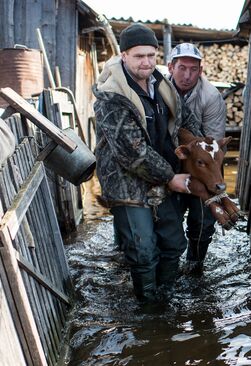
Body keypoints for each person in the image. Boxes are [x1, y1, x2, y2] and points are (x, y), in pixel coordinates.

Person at [93, 23, 190, 302]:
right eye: (138, 56)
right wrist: (171, 178)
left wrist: (202, 145)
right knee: (143, 250)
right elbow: (132, 152)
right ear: (124, 56)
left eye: (151, 55)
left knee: (174, 243)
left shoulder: (160, 85)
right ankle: (148, 309)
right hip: (127, 181)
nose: (146, 62)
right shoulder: (111, 96)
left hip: (162, 174)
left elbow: (182, 119)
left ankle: (166, 297)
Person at [168, 43, 227, 274]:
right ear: (170, 67)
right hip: (169, 163)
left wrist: (204, 186)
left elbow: (213, 148)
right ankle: (168, 268)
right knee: (165, 218)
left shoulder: (211, 97)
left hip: (200, 167)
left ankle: (195, 266)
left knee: (203, 219)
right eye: (182, 68)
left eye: (193, 69)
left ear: (200, 71)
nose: (187, 75)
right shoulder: (157, 90)